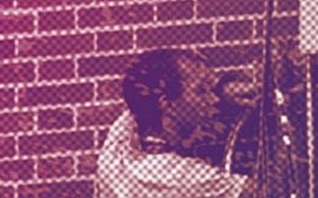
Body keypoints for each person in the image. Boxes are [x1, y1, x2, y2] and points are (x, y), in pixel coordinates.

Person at [97, 49, 253, 198]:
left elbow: (140, 102)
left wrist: (221, 89)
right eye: (201, 91)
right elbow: (260, 192)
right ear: (167, 104)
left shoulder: (115, 156)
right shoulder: (180, 178)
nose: (213, 99)